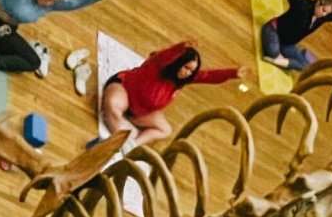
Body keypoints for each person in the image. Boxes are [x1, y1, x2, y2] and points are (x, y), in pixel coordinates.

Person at [102, 41, 248, 148]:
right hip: (124, 90)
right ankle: (118, 138)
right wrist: (180, 47)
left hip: (140, 112)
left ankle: (131, 145)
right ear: (178, 62)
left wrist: (232, 73)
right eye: (186, 68)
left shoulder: (182, 80)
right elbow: (164, 56)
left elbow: (208, 76)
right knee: (112, 105)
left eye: (192, 71)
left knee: (165, 130)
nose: (188, 73)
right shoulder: (157, 64)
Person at [262, 0, 332, 71]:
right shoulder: (302, 4)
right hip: (273, 30)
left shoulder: (322, 17)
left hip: (287, 44)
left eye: (326, 13)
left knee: (308, 67)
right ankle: (281, 59)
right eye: (323, 10)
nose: (324, 14)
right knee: (273, 51)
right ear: (319, 2)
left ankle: (279, 60)